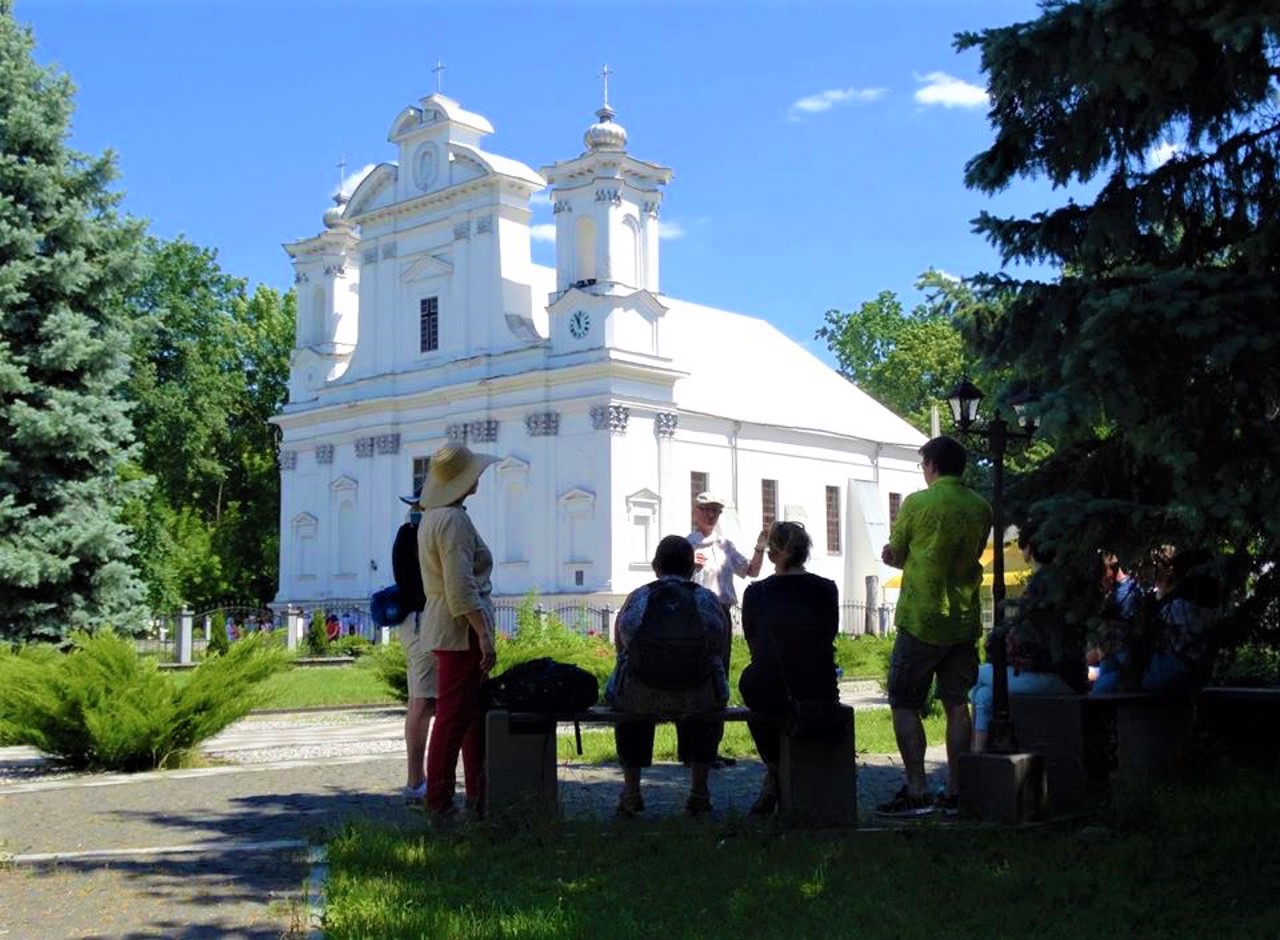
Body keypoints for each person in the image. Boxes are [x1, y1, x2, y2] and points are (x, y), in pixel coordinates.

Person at [877, 435, 992, 818]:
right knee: (958, 705)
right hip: (962, 619)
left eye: (923, 465)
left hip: (921, 618)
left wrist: (893, 557)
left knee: (905, 702)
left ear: (932, 466)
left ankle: (917, 786)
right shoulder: (981, 508)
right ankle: (957, 790)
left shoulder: (917, 503)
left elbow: (898, 552)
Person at [604, 535, 730, 817]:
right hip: (696, 696)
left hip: (641, 697)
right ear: (692, 568)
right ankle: (699, 793)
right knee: (706, 697)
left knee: (629, 704)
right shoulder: (706, 599)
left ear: (655, 566)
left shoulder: (640, 596)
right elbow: (719, 650)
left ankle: (632, 792)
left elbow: (622, 647)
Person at [417, 444, 500, 819]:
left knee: (466, 716)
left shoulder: (435, 516)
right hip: (459, 627)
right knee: (453, 718)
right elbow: (460, 585)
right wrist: (482, 632)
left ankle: (476, 793)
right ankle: (440, 800)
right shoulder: (452, 520)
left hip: (446, 621)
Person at [738, 521, 839, 815]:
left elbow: (755, 644)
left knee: (752, 685)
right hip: (817, 683)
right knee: (770, 688)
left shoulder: (757, 593)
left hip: (771, 686)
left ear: (772, 555)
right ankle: (778, 774)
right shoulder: (826, 589)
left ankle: (774, 769)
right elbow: (827, 636)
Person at [969, 529, 1080, 752]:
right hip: (1064, 674)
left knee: (972, 673)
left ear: (1028, 550)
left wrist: (998, 640)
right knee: (982, 695)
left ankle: (982, 752)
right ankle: (977, 753)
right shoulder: (1059, 581)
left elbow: (1022, 637)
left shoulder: (1041, 586)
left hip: (1051, 675)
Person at [687, 492, 767, 767]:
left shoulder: (725, 546)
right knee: (694, 678)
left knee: (718, 678)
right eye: (707, 510)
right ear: (696, 511)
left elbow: (751, 571)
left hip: (720, 615)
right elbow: (671, 577)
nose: (712, 515)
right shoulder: (686, 546)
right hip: (695, 614)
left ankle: (711, 747)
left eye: (717, 511)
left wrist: (760, 548)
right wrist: (689, 567)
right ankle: (693, 750)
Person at [393, 496, 433, 804]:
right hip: (423, 621)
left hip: (414, 621)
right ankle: (416, 781)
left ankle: (419, 778)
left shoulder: (406, 533)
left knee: (421, 701)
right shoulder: (415, 535)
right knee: (421, 702)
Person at [1141, 548, 1220, 693]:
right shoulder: (1214, 604)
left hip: (1170, 673)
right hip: (1200, 674)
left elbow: (1156, 638)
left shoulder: (1176, 607)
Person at [1088, 553, 1147, 694]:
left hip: (1126, 667)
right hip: (1109, 659)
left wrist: (1099, 650)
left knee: (1100, 688)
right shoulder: (1111, 592)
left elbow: (1124, 639)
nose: (1101, 581)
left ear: (1112, 569)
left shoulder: (1128, 592)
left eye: (1102, 574)